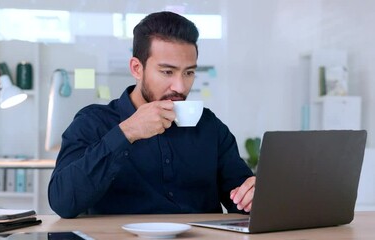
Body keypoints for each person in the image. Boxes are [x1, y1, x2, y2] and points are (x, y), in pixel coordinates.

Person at [48, 11, 256, 219]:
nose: (180, 86)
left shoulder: (209, 126)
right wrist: (127, 132)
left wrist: (252, 195)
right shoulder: (93, 123)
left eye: (189, 72)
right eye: (168, 72)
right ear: (137, 69)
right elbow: (63, 202)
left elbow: (242, 201)